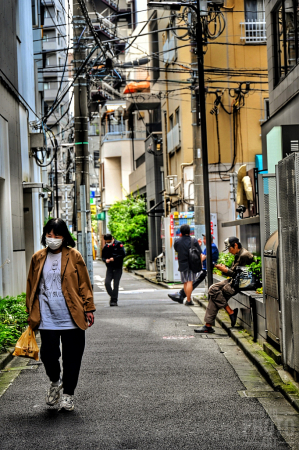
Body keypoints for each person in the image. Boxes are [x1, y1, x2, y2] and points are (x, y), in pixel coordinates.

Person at [26, 218, 95, 411]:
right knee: (48, 355)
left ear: (64, 237)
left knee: (72, 358)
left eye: (57, 235)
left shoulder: (74, 256)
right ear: (45, 235)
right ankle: (55, 382)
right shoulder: (38, 257)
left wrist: (89, 307)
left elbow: (84, 284)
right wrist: (30, 311)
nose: (53, 238)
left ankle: (68, 395)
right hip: (47, 316)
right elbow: (31, 286)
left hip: (72, 316)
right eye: (49, 234)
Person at [195, 236, 253, 333]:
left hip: (239, 283)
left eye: (229, 248)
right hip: (234, 280)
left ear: (235, 245)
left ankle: (211, 324)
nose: (229, 251)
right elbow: (235, 272)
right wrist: (225, 269)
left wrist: (225, 270)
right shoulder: (238, 254)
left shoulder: (244, 255)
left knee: (214, 294)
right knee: (213, 288)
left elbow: (242, 275)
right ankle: (229, 312)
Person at [168, 234, 219, 303]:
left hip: (206, 269)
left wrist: (194, 264)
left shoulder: (211, 247)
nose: (203, 240)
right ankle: (181, 295)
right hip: (204, 268)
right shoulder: (209, 247)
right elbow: (200, 256)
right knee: (192, 282)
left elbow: (202, 257)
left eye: (204, 239)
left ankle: (181, 295)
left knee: (192, 282)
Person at [173, 224, 202, 306]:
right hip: (192, 264)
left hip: (182, 264)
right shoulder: (194, 240)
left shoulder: (177, 241)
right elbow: (199, 253)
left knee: (185, 282)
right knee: (190, 282)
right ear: (189, 231)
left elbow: (176, 250)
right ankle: (188, 300)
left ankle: (188, 299)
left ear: (181, 232)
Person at [102, 233, 126, 306]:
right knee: (107, 283)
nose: (108, 243)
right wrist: (105, 260)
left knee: (116, 284)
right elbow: (103, 257)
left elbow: (123, 254)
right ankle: (113, 296)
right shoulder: (106, 247)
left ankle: (114, 301)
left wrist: (114, 258)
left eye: (109, 241)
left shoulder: (118, 244)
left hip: (118, 267)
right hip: (110, 268)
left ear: (112, 238)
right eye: (107, 242)